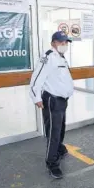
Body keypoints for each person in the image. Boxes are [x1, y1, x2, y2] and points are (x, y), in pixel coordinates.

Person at [29, 31, 74, 179]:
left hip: (62, 100)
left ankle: (59, 149)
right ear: (53, 43)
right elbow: (36, 78)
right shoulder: (48, 57)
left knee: (60, 128)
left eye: (66, 42)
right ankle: (52, 163)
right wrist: (36, 97)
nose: (64, 45)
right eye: (61, 42)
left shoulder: (60, 56)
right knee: (53, 133)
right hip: (52, 99)